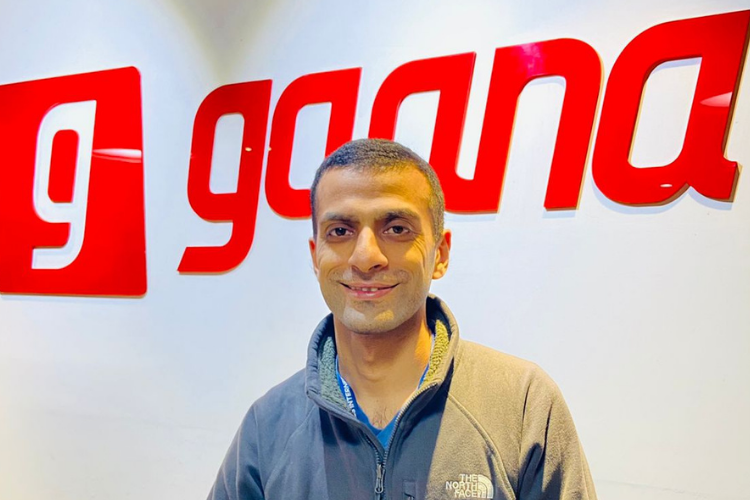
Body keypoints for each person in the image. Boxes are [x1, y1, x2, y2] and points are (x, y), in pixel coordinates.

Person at [208, 139, 597, 500]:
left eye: (396, 229)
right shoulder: (267, 426)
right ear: (315, 256)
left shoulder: (523, 405)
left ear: (440, 253)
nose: (365, 257)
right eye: (340, 231)